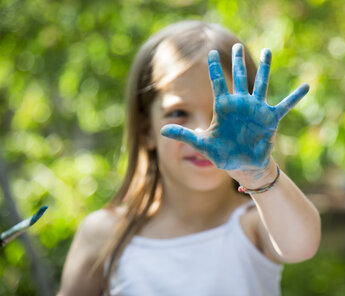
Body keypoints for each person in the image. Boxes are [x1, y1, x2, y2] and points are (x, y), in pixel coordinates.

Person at [57, 20, 321, 296]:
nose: (204, 133)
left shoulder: (255, 222)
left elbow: (302, 246)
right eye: (178, 113)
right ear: (147, 130)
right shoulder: (103, 233)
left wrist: (261, 173)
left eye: (224, 115)